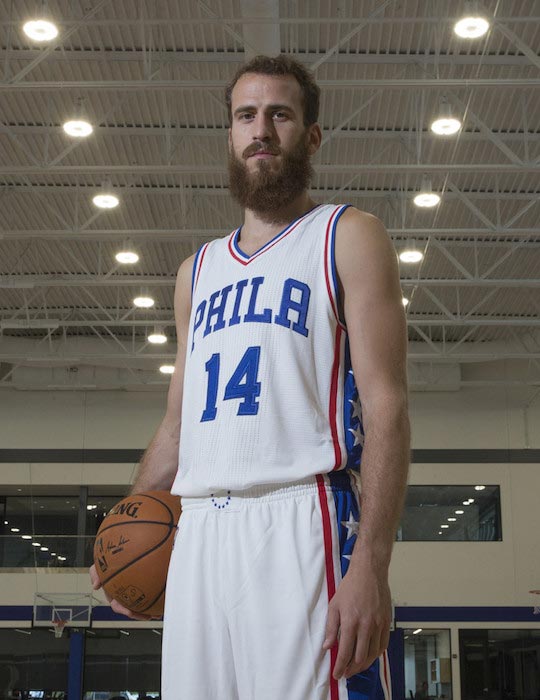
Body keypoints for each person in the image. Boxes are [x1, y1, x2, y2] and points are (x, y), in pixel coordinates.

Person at [90, 54, 410, 700]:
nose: (260, 129)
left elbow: (387, 409)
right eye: (246, 116)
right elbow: (179, 426)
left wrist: (371, 562)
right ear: (231, 136)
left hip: (301, 519)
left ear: (310, 135)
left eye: (279, 115)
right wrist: (121, 530)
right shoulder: (195, 273)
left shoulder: (346, 236)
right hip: (200, 532)